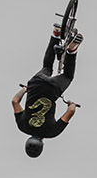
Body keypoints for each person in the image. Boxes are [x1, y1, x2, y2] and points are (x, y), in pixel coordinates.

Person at [12, 25, 83, 158]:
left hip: (53, 87)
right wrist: (25, 89)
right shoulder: (22, 126)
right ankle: (56, 34)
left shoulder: (52, 132)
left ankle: (72, 51)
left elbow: (71, 112)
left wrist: (71, 105)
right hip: (36, 83)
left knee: (68, 76)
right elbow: (15, 101)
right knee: (47, 67)